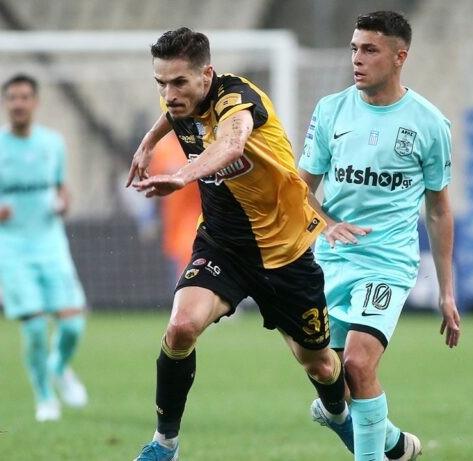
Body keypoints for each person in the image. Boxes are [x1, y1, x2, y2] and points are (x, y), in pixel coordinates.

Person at [126, 27, 346, 461]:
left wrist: (182, 176)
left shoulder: (239, 100)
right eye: (161, 83)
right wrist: (148, 142)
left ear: (207, 75)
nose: (169, 94)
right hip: (222, 246)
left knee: (319, 364)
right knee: (181, 327)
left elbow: (230, 143)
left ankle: (339, 416)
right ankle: (164, 444)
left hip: (284, 252)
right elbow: (171, 113)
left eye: (179, 82)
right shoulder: (180, 99)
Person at [298, 11, 462, 461]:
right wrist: (327, 224)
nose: (357, 58)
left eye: (369, 49)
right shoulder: (331, 110)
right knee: (332, 377)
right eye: (354, 48)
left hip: (387, 262)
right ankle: (393, 443)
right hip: (332, 258)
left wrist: (447, 291)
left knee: (357, 363)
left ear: (399, 57)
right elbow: (299, 190)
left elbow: (439, 210)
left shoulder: (429, 124)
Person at [0, 73, 89, 422]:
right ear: (4, 103)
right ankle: (45, 399)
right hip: (12, 248)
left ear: (35, 102)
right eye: (12, 97)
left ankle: (58, 367)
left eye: (25, 97)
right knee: (34, 328)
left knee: (72, 326)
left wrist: (64, 202)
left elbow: (62, 188)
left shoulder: (53, 143)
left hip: (51, 245)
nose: (19, 103)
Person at [147, 132, 202, 284]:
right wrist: (149, 218)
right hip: (174, 229)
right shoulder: (163, 148)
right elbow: (154, 187)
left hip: (200, 227)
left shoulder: (202, 143)